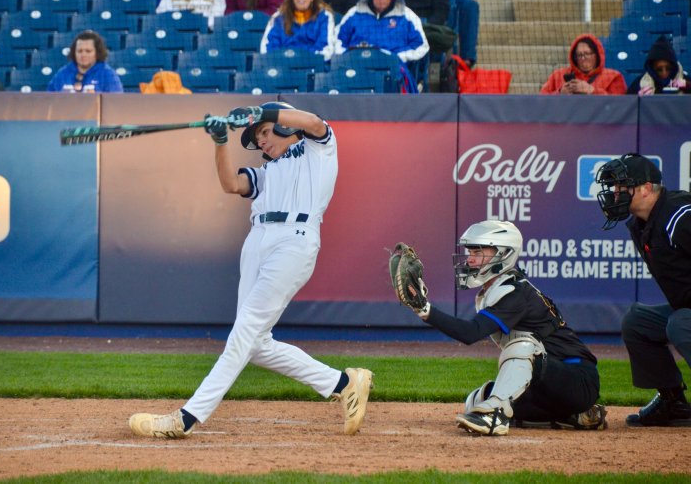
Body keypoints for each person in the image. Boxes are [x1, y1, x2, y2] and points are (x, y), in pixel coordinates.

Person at [128, 102, 374, 439]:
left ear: (285, 127)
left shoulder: (318, 149)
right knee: (255, 345)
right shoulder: (265, 173)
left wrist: (262, 111)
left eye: (265, 132)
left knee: (243, 332)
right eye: (256, 136)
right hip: (257, 241)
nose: (260, 141)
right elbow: (230, 183)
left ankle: (187, 417)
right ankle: (343, 383)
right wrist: (219, 142)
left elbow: (313, 121)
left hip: (294, 239)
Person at [391, 221, 607, 436]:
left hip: (578, 380)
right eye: (470, 251)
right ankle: (574, 416)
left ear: (504, 253)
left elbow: (470, 333)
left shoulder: (515, 293)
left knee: (523, 347)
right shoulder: (499, 289)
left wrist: (425, 309)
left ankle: (495, 416)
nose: (470, 258)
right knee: (477, 400)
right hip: (549, 383)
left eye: (478, 251)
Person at [595, 153, 691, 427]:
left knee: (681, 324)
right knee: (638, 323)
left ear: (646, 188)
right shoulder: (641, 223)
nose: (615, 194)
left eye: (622, 187)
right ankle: (673, 402)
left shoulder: (680, 214)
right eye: (613, 188)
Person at [335, 0, 429, 92]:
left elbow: (422, 46)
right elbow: (337, 39)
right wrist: (348, 56)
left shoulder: (407, 16)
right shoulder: (354, 13)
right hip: (357, 66)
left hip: (391, 68)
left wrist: (398, 56)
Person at [260, 0, 336, 61]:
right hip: (283, 66)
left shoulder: (324, 17)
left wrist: (302, 58)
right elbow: (267, 48)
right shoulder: (278, 18)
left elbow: (326, 49)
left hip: (312, 66)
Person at [540, 33, 627, 95]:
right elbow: (541, 101)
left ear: (597, 55)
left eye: (587, 54)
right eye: (579, 55)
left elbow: (619, 105)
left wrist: (592, 91)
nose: (583, 58)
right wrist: (559, 93)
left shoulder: (613, 77)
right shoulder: (558, 75)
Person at [47, 30, 123, 93]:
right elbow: (49, 100)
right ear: (74, 52)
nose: (83, 55)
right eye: (80, 51)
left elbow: (115, 103)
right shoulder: (62, 74)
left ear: (97, 52)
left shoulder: (108, 75)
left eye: (88, 51)